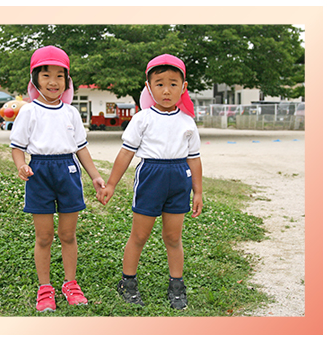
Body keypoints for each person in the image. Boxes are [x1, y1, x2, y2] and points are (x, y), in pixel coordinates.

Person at [96, 54, 203, 310]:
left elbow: (195, 159)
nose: (167, 90)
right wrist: (110, 184)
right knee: (140, 235)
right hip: (151, 178)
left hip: (179, 180)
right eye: (159, 83)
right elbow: (125, 153)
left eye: (173, 83)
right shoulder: (142, 118)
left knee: (173, 237)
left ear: (183, 87)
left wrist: (198, 191)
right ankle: (128, 282)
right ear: (148, 86)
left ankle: (177, 286)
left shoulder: (188, 122)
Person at [10, 46, 105, 312]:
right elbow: (18, 147)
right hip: (39, 173)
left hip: (68, 172)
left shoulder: (71, 113)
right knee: (44, 236)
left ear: (67, 81)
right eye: (46, 75)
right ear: (35, 79)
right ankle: (45, 288)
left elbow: (81, 148)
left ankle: (70, 284)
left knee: (67, 234)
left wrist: (95, 176)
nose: (53, 82)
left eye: (60, 76)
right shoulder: (28, 112)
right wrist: (21, 166)